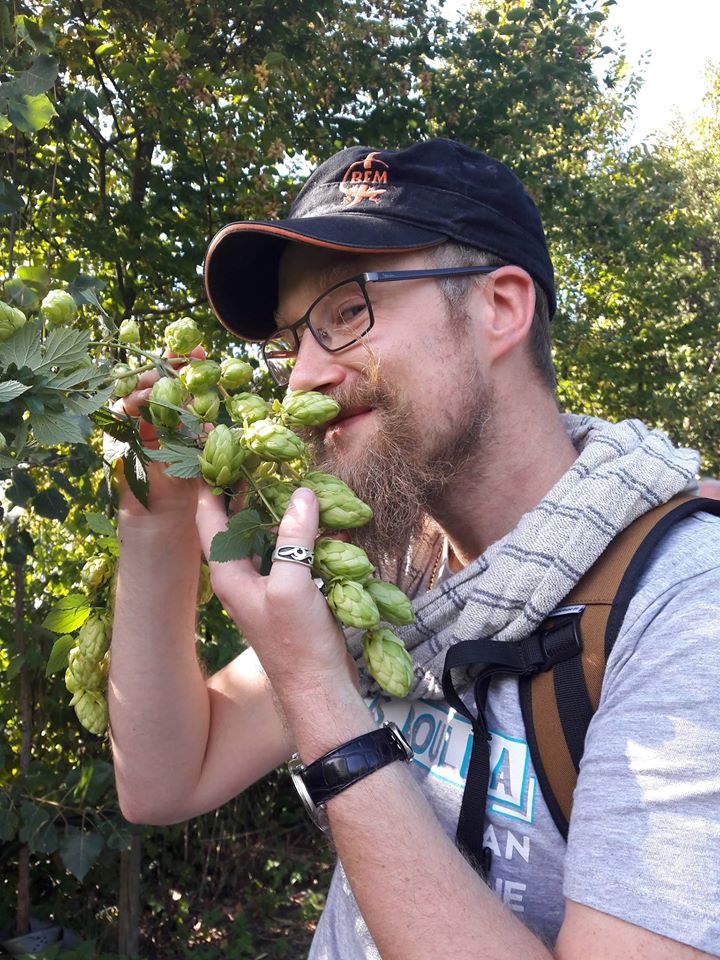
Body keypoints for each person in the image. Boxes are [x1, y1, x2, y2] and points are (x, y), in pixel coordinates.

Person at [108, 139, 720, 959]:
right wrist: (153, 520)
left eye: (347, 312)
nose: (302, 379)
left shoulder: (684, 605)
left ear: (501, 309)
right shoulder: (394, 566)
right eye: (292, 341)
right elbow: (161, 780)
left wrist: (318, 695)